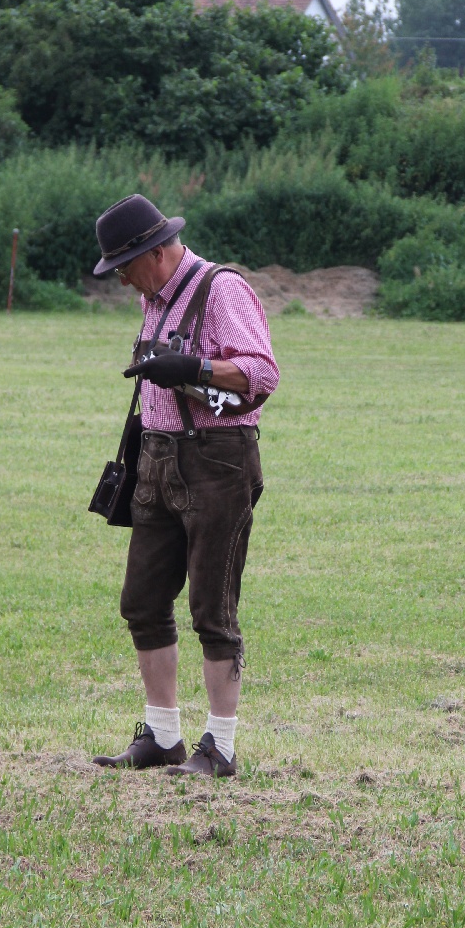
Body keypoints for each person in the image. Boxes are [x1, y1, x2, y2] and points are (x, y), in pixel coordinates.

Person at [90, 193, 278, 779]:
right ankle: (163, 737)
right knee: (142, 603)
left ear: (156, 251)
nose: (122, 280)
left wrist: (194, 368)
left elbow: (262, 372)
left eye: (124, 267)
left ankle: (220, 747)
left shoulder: (220, 289)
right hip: (156, 460)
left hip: (217, 462)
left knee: (212, 609)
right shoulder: (154, 297)